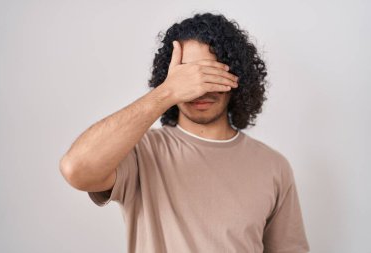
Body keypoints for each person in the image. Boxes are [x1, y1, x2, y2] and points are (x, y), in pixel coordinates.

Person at [60, 12, 310, 253]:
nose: (199, 90)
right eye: (188, 76)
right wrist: (167, 93)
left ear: (237, 77)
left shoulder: (273, 166)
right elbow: (77, 168)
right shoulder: (141, 153)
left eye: (211, 74)